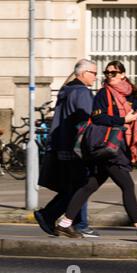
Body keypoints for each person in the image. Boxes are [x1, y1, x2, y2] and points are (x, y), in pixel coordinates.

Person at [55, 60, 137, 239]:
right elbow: (98, 119)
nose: (109, 75)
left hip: (117, 146)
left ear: (123, 75)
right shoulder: (103, 94)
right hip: (108, 147)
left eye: (113, 73)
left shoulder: (129, 96)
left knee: (89, 185)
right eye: (107, 73)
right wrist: (123, 120)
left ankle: (64, 223)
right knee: (127, 185)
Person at [35, 59, 100, 238]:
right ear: (83, 73)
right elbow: (88, 118)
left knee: (73, 186)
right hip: (76, 147)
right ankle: (70, 221)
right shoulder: (82, 92)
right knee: (81, 186)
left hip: (61, 144)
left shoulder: (66, 90)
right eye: (94, 73)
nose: (96, 77)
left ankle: (70, 221)